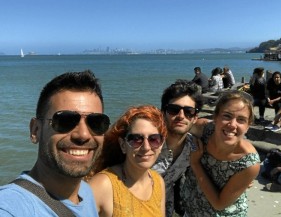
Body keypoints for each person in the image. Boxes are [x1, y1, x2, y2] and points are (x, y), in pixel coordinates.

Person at [0, 70, 110, 217]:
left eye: (96, 122)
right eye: (65, 120)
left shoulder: (85, 192)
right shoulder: (12, 208)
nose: (83, 134)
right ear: (35, 130)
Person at [182, 90, 261, 216]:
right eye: (227, 116)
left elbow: (219, 204)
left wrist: (195, 164)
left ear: (248, 125)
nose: (232, 125)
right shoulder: (205, 130)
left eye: (241, 120)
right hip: (191, 208)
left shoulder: (248, 163)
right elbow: (177, 126)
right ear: (215, 117)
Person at [88, 105, 167, 217]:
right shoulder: (103, 185)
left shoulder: (158, 182)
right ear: (123, 145)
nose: (146, 147)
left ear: (161, 144)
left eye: (154, 139)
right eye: (136, 139)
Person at [152, 79, 205, 217]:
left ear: (195, 118)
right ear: (163, 112)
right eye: (173, 110)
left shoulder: (194, 147)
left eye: (189, 111)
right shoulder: (147, 144)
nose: (181, 116)